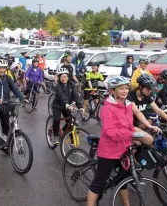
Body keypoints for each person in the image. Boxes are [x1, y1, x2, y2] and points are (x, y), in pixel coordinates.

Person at [86, 76, 160, 206]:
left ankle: (126, 204)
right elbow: (110, 132)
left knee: (124, 178)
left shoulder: (128, 104)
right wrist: (132, 134)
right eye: (121, 89)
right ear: (113, 91)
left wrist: (148, 127)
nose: (125, 91)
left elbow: (136, 117)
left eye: (126, 88)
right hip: (109, 151)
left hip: (124, 148)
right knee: (98, 183)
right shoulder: (107, 108)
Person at [0, 59, 28, 149]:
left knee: (6, 121)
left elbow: (15, 89)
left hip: (5, 103)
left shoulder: (8, 78)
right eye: (0, 68)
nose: (1, 70)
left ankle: (6, 141)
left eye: (3, 68)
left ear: (6, 69)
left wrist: (22, 98)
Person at [48, 67, 83, 147]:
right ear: (59, 77)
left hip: (67, 106)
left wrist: (80, 106)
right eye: (62, 77)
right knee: (56, 120)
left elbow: (75, 95)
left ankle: (72, 141)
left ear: (68, 76)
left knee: (70, 122)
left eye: (65, 76)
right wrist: (66, 104)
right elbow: (61, 96)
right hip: (57, 105)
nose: (64, 78)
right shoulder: (57, 86)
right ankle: (56, 135)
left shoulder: (72, 84)